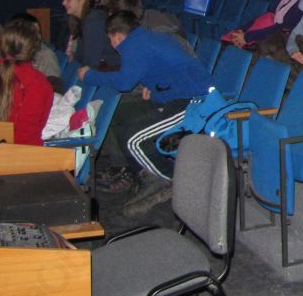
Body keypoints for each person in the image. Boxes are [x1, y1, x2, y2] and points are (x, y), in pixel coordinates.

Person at [79, 11, 214, 182]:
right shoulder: (145, 38)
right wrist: (153, 88)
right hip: (175, 97)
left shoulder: (135, 44)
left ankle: (173, 182)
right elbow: (165, 73)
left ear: (117, 36)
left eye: (110, 39)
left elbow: (124, 82)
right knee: (114, 112)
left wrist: (89, 75)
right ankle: (129, 170)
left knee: (133, 139)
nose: (112, 45)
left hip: (194, 103)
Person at [0, 12, 63, 92]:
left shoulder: (46, 56)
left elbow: (55, 90)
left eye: (38, 32)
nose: (38, 37)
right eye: (32, 33)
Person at [62, 0, 119, 69]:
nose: (63, 3)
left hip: (109, 71)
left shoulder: (94, 21)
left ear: (82, 0)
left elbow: (91, 62)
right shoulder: (83, 20)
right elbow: (80, 55)